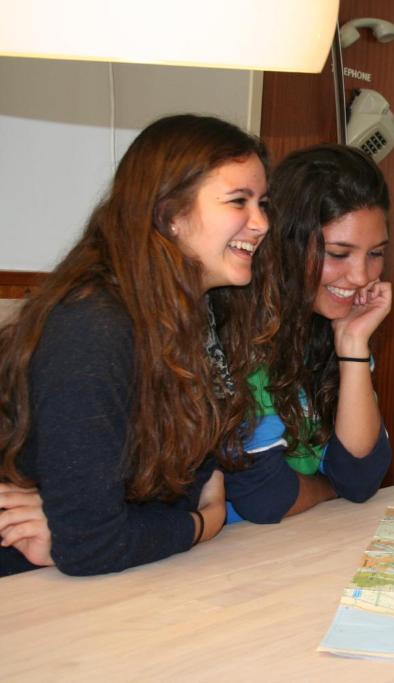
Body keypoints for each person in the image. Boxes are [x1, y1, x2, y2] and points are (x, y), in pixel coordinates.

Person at [0, 114, 274, 577]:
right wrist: (201, 524)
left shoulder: (197, 316)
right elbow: (94, 544)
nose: (262, 223)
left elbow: (193, 484)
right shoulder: (93, 326)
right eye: (238, 202)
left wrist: (155, 517)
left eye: (263, 203)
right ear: (170, 215)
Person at [223, 145, 391, 523]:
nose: (362, 276)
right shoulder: (241, 329)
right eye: (338, 253)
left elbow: (361, 477)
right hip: (221, 555)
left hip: (293, 545)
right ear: (287, 245)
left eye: (376, 253)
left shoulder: (334, 325)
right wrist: (330, 487)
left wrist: (353, 348)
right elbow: (265, 497)